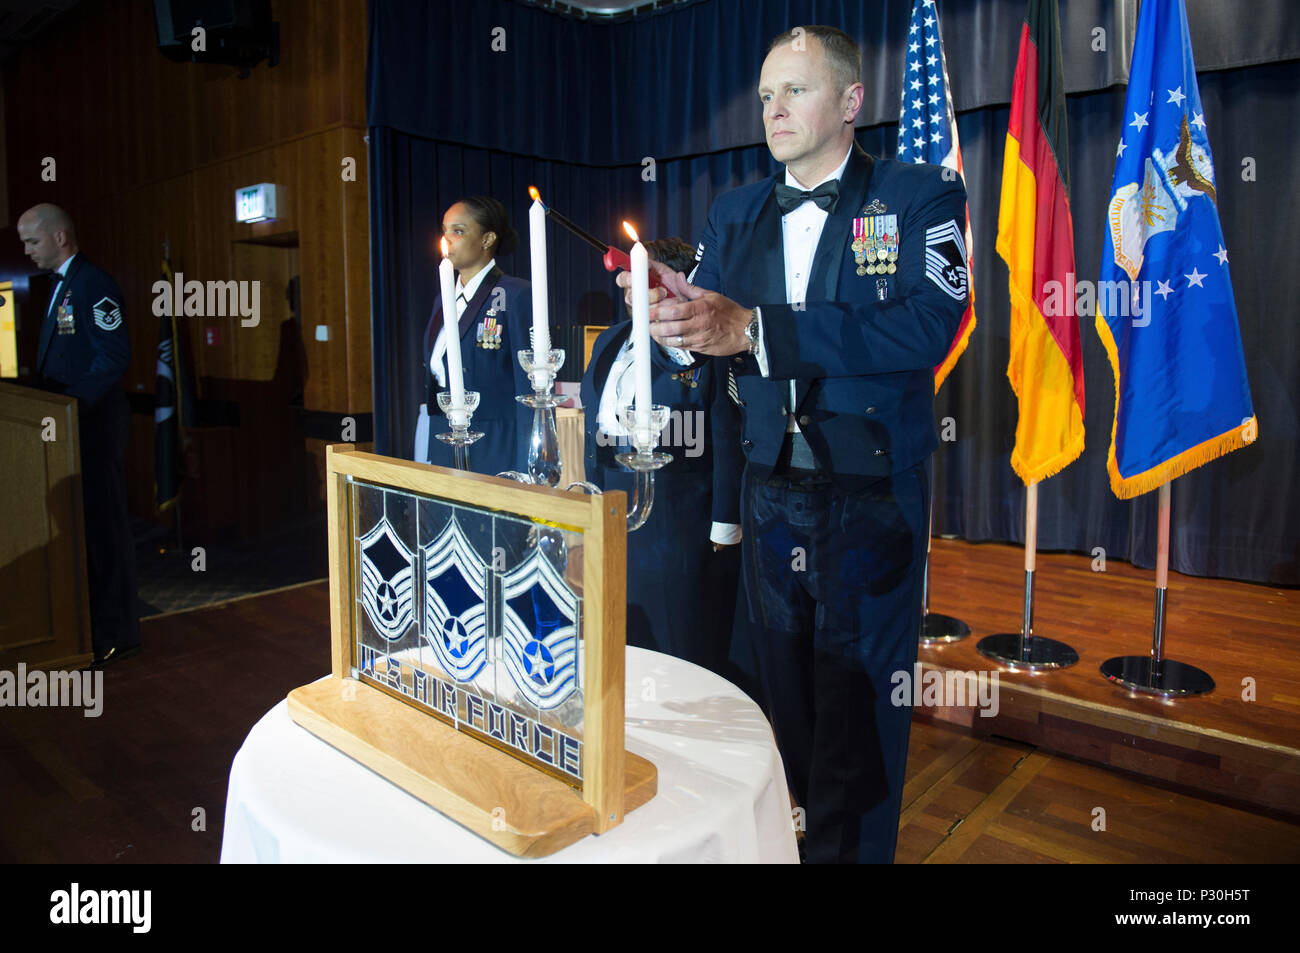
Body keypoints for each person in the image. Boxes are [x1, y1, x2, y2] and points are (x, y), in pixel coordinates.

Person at [619, 25, 970, 862]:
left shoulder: (920, 195)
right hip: (769, 490)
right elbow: (717, 329)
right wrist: (674, 321)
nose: (774, 108)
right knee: (784, 700)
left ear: (851, 102)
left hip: (871, 497)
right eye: (767, 93)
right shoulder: (736, 210)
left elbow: (928, 322)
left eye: (797, 91)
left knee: (861, 712)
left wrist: (755, 329)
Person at [580, 237, 744, 675]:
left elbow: (728, 430)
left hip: (679, 510)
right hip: (614, 503)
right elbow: (593, 416)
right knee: (624, 620)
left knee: (679, 632)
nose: (632, 295)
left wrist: (726, 520)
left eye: (642, 284)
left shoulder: (707, 346)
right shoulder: (611, 339)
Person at [18, 203, 141, 668]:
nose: (27, 251)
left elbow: (112, 357)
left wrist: (67, 407)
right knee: (86, 531)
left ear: (60, 238)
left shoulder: (93, 285)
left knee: (104, 530)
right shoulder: (63, 286)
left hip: (92, 425)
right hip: (71, 426)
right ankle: (92, 626)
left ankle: (119, 633)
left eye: (32, 241)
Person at [421, 196, 532, 476]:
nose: (448, 239)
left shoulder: (513, 294)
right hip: (445, 444)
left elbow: (528, 386)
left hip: (495, 450)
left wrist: (528, 463)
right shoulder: (441, 300)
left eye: (458, 231)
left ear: (487, 239)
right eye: (445, 231)